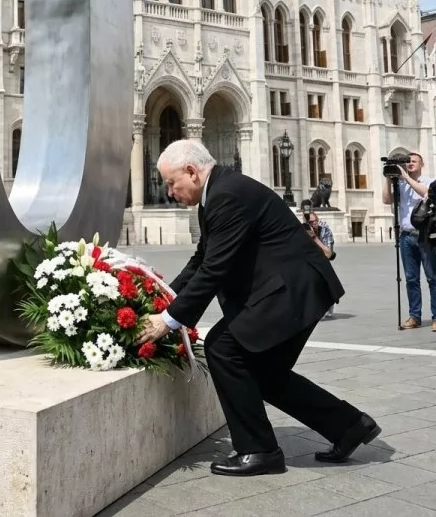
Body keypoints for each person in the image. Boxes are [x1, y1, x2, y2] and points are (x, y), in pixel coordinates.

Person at [137, 139, 380, 477]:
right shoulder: (217, 192)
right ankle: (349, 426)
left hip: (292, 290)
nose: (169, 192)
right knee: (264, 374)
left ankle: (259, 450)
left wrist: (169, 319)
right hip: (290, 288)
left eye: (170, 182)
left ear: (191, 172)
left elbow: (214, 269)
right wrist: (164, 296)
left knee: (223, 347)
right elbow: (202, 259)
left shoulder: (226, 194)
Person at [381, 152, 435, 331]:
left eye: (414, 161)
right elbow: (386, 200)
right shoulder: (401, 185)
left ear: (421, 164)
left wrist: (406, 177)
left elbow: (426, 193)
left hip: (425, 236)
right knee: (411, 279)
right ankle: (414, 316)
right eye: (408, 161)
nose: (410, 164)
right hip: (406, 236)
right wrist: (389, 179)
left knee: (432, 277)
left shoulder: (429, 182)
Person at [305, 210, 336, 318]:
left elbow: (328, 253)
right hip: (310, 262)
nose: (313, 224)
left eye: (315, 221)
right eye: (310, 222)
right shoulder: (303, 231)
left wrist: (315, 238)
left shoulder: (325, 230)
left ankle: (327, 304)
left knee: (324, 283)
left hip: (323, 261)